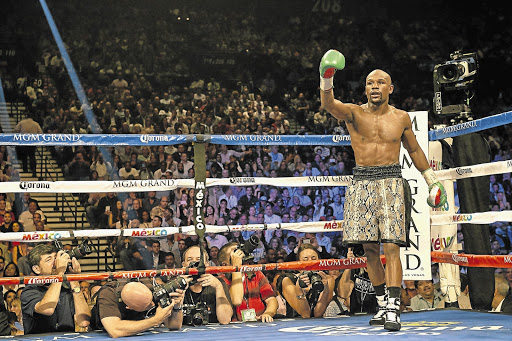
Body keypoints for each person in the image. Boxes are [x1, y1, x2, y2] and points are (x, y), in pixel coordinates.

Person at [319, 50, 447, 331]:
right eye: (370, 82)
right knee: (369, 249)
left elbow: (413, 149)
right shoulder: (353, 113)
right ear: (365, 88)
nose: (374, 86)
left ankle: (393, 307)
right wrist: (326, 77)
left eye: (380, 82)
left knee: (391, 247)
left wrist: (431, 180)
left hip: (391, 180)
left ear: (391, 88)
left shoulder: (401, 118)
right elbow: (328, 105)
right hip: (361, 181)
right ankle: (381, 304)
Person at [20, 244, 90, 334]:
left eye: (56, 258)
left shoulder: (67, 288)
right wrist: (59, 273)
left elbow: (84, 321)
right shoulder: (29, 291)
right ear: (37, 269)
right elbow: (48, 309)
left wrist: (74, 280)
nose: (56, 263)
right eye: (49, 259)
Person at [95, 280, 184, 337]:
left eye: (151, 300)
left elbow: (174, 325)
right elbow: (115, 330)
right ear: (129, 307)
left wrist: (177, 306)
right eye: (146, 305)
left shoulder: (153, 288)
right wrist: (156, 320)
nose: (153, 305)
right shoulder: (108, 293)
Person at [218, 242, 278, 322]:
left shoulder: (256, 273)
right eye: (235, 253)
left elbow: (271, 299)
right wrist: (237, 268)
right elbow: (236, 301)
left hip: (259, 323)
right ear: (225, 264)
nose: (240, 255)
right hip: (234, 328)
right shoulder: (221, 282)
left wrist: (267, 314)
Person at [180, 245, 233, 325]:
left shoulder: (218, 283)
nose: (195, 263)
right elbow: (172, 324)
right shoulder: (177, 285)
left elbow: (225, 320)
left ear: (207, 264)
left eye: (199, 260)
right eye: (190, 260)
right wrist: (181, 289)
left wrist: (219, 288)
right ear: (183, 265)